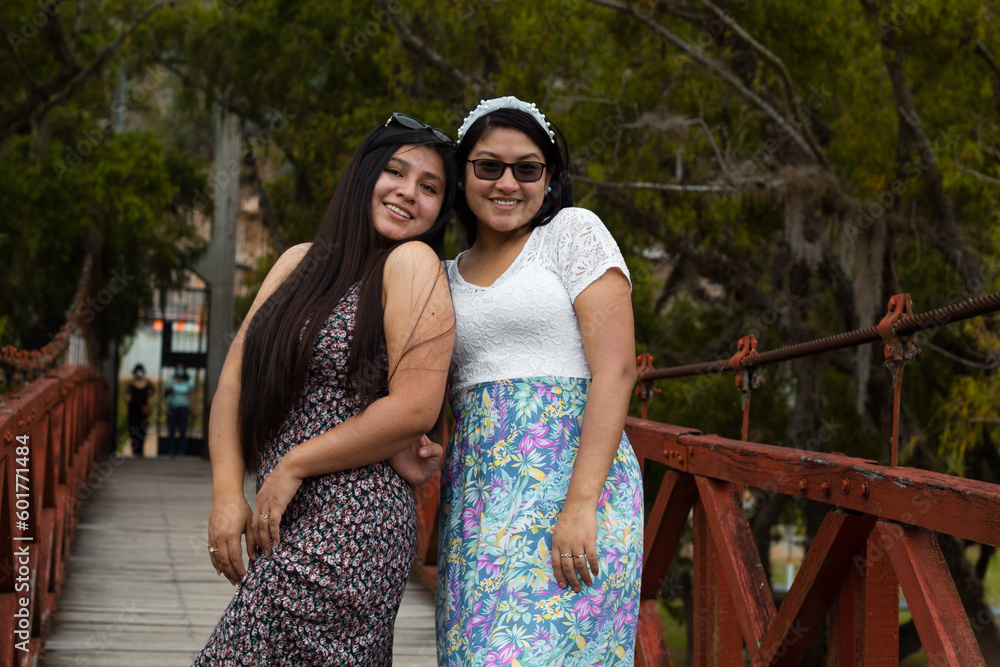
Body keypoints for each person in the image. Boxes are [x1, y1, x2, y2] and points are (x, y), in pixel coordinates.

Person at [195, 113, 457, 666]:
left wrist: (294, 464)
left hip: (353, 525)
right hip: (281, 521)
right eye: (395, 172)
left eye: (430, 187)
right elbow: (234, 382)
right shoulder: (298, 262)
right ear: (364, 173)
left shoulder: (413, 263)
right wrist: (225, 493)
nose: (408, 193)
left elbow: (415, 407)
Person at [436, 96, 643, 665]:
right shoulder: (442, 275)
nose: (508, 183)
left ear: (548, 178)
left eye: (527, 168)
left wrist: (580, 505)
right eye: (488, 166)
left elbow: (617, 370)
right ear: (461, 174)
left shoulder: (572, 233)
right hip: (478, 502)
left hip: (575, 491)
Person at [164, 364, 196, 459]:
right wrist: (170, 388)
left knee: (183, 430)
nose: (180, 371)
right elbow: (165, 394)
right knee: (171, 430)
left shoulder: (189, 382)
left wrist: (194, 409)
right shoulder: (171, 380)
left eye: (181, 369)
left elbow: (193, 396)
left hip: (184, 408)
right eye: (178, 369)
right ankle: (171, 451)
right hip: (172, 408)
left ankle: (181, 451)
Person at [123, 363, 152, 458]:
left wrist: (148, 397)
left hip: (143, 409)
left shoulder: (147, 382)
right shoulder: (131, 382)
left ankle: (141, 449)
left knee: (143, 429)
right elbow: (125, 393)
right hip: (133, 409)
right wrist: (127, 400)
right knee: (133, 429)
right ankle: (135, 450)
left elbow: (153, 390)